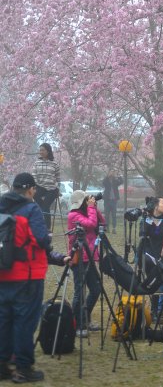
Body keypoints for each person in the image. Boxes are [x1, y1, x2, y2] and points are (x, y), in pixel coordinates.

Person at [0, 172, 51, 383]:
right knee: (24, 322)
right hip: (27, 275)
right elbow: (40, 239)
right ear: (30, 189)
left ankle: (2, 365)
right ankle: (23, 368)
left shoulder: (1, 207)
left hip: (3, 273)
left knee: (4, 321)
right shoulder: (31, 209)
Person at [67, 190, 106, 337]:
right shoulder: (74, 215)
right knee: (80, 292)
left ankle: (85, 318)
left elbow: (101, 222)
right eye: (87, 200)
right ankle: (78, 324)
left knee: (96, 289)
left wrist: (94, 207)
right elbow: (91, 224)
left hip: (89, 257)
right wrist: (90, 208)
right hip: (78, 258)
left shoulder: (87, 212)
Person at [137, 197, 163, 319]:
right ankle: (153, 310)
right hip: (148, 255)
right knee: (152, 281)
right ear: (156, 206)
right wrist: (148, 219)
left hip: (162, 255)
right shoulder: (145, 220)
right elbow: (142, 234)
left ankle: (160, 309)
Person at [32, 143, 61, 230]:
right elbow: (34, 176)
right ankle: (43, 226)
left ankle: (47, 228)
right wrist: (36, 185)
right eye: (40, 150)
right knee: (40, 202)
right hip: (40, 186)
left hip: (52, 188)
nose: (40, 152)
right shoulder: (36, 163)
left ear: (48, 151)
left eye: (42, 150)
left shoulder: (54, 163)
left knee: (45, 206)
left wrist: (57, 188)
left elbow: (58, 178)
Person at [102, 170, 122, 234]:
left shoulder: (115, 180)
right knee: (107, 215)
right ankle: (107, 228)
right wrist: (107, 176)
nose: (112, 173)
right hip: (107, 200)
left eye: (112, 172)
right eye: (111, 172)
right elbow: (103, 182)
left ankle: (114, 228)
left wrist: (118, 176)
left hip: (114, 200)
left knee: (114, 215)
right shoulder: (106, 180)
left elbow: (121, 182)